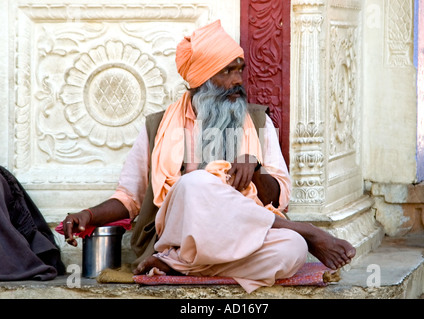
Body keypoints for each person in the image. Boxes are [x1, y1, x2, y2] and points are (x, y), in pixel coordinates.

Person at [62, 20, 355, 293]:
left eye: (240, 69)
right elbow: (129, 199)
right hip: (179, 232)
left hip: (238, 236)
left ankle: (178, 266)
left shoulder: (257, 122)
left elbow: (280, 197)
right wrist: (87, 215)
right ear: (201, 79)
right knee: (197, 183)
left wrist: (254, 170)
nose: (237, 81)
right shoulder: (158, 127)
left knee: (292, 250)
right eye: (226, 71)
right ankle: (302, 230)